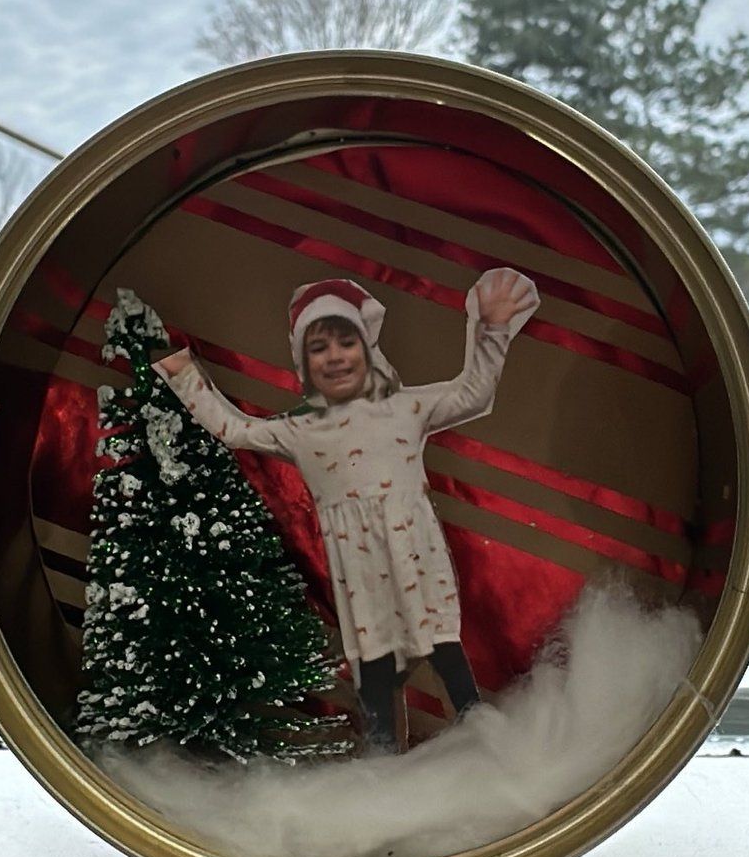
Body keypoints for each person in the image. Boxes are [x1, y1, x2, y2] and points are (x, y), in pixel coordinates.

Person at [151, 267, 539, 749]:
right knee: (375, 664)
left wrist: (492, 327)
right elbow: (235, 430)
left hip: (416, 552)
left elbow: (473, 392)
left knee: (441, 647)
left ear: (368, 350)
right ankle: (380, 764)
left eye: (345, 343)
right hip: (358, 568)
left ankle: (482, 746)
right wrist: (184, 373)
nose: (335, 357)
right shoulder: (301, 430)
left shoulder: (406, 409)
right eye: (319, 348)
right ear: (304, 364)